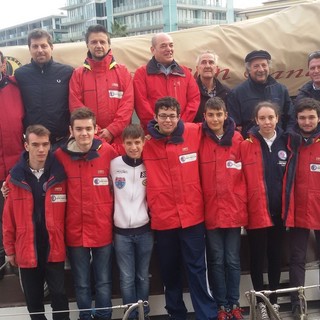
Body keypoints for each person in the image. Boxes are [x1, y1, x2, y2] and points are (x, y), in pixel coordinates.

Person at [143, 96, 217, 320]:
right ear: (155, 117)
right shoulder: (145, 144)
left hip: (192, 217)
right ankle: (176, 314)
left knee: (197, 270)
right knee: (169, 271)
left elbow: (221, 127)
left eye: (172, 116)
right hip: (164, 219)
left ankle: (207, 314)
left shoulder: (194, 132)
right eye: (163, 116)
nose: (167, 120)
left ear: (179, 116)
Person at [55, 107, 117, 320]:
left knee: (103, 280)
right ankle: (84, 317)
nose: (84, 133)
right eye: (79, 129)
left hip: (102, 228)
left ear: (96, 129)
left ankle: (104, 316)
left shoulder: (108, 152)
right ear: (71, 130)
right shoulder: (59, 156)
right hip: (75, 230)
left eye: (88, 129)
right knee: (81, 283)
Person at [2, 125, 69, 320]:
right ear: (26, 145)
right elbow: (8, 219)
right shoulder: (14, 178)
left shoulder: (60, 175)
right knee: (33, 299)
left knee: (59, 296)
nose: (41, 149)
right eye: (35, 144)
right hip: (26, 248)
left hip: (53, 246)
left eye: (45, 144)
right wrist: (9, 250)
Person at [240, 101, 294, 320]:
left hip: (279, 212)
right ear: (256, 120)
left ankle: (273, 301)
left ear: (277, 119)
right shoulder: (247, 144)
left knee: (275, 257)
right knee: (257, 258)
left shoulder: (287, 143)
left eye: (270, 117)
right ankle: (260, 302)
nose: (267, 122)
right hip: (256, 212)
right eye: (262, 118)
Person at [199, 97, 246, 320]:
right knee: (216, 260)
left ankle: (234, 302)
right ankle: (221, 306)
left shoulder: (238, 140)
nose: (215, 119)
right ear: (205, 117)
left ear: (226, 115)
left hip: (234, 211)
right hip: (210, 212)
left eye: (219, 114)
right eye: (211, 115)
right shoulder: (199, 139)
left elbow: (247, 175)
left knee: (232, 259)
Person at [110, 124, 153, 320]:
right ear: (122, 144)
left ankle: (143, 313)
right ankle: (130, 315)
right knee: (127, 278)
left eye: (137, 142)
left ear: (144, 142)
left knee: (142, 276)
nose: (134, 147)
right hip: (121, 233)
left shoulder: (150, 163)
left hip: (145, 230)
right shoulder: (114, 164)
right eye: (129, 143)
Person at [283, 98, 320, 319]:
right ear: (296, 119)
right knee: (297, 258)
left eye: (311, 117)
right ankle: (297, 303)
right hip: (297, 209)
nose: (307, 122)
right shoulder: (288, 142)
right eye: (302, 117)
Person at [69, 24, 133, 145]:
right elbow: (76, 106)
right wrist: (94, 130)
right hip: (90, 139)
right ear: (87, 45)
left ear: (109, 44)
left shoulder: (123, 72)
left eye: (102, 42)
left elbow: (127, 106)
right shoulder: (78, 74)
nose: (98, 46)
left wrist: (112, 130)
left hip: (120, 139)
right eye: (94, 42)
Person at [14, 28, 73, 150]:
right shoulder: (20, 75)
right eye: (35, 46)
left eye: (43, 46)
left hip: (61, 141)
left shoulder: (67, 72)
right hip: (34, 144)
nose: (39, 50)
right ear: (29, 49)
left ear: (51, 47)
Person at [133, 33, 200, 131]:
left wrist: (179, 124)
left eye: (171, 45)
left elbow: (194, 100)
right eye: (163, 46)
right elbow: (141, 104)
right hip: (152, 133)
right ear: (153, 50)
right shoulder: (142, 73)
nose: (169, 49)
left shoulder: (185, 73)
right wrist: (158, 126)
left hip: (181, 132)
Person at [227, 50, 295, 138]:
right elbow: (234, 124)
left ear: (268, 67)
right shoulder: (237, 93)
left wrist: (288, 137)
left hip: (279, 142)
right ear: (249, 70)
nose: (261, 69)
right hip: (251, 143)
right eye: (256, 66)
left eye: (264, 65)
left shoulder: (281, 90)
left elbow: (290, 117)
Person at [0, 50, 24, 280]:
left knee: (22, 222)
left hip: (18, 169)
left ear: (3, 64)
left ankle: (26, 273)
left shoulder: (18, 88)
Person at [194, 51, 230, 123]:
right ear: (197, 68)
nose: (207, 66)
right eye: (203, 62)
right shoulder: (190, 90)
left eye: (211, 62)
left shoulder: (226, 92)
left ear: (216, 69)